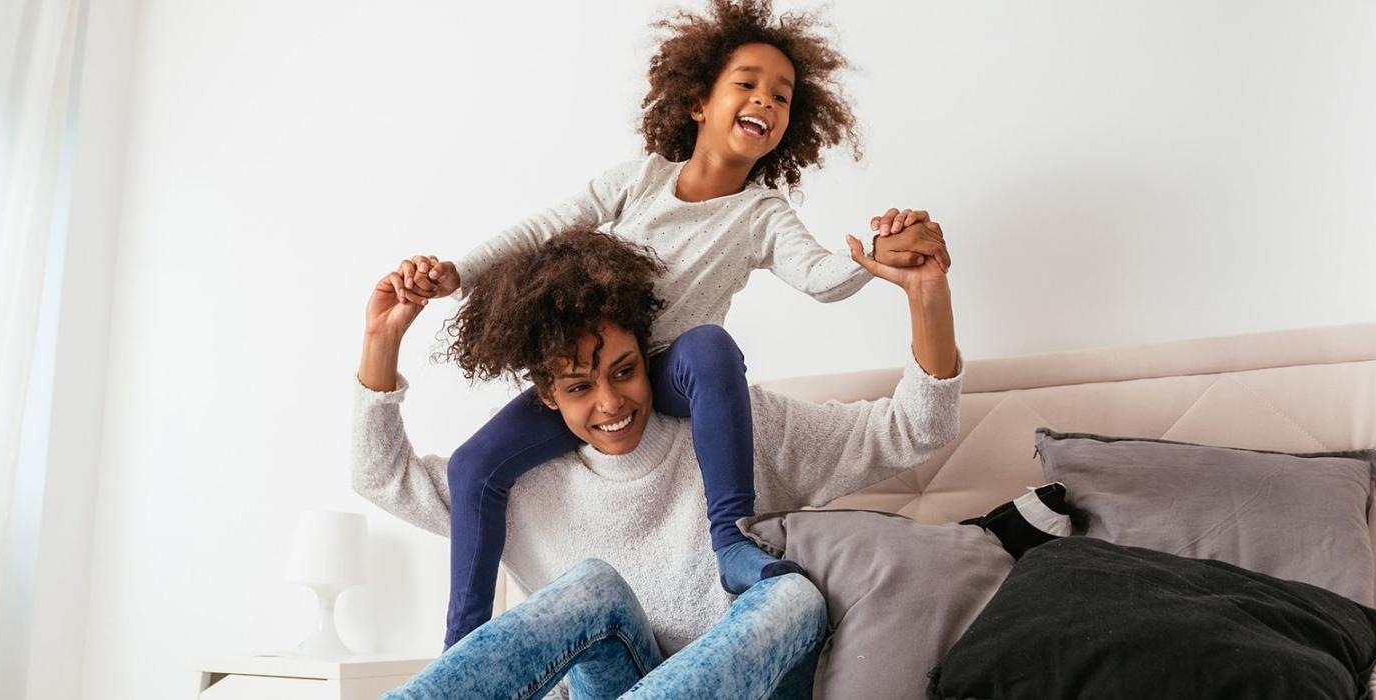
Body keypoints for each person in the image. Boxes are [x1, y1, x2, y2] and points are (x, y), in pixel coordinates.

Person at [389, 0, 953, 647]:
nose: (765, 100)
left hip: (672, 375)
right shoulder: (640, 180)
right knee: (471, 466)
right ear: (697, 102)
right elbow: (543, 228)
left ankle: (731, 541)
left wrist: (873, 258)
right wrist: (456, 274)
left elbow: (820, 275)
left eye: (781, 95)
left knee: (710, 346)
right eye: (747, 83)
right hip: (606, 368)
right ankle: (462, 644)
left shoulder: (762, 214)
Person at [353, 228, 960, 697]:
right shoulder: (517, 483)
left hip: (751, 685)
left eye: (624, 371)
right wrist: (382, 340)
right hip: (619, 679)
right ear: (545, 395)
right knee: (590, 586)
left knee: (793, 597)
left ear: (648, 355)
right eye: (579, 387)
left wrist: (926, 295)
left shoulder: (739, 425)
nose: (610, 404)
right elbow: (382, 477)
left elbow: (912, 429)